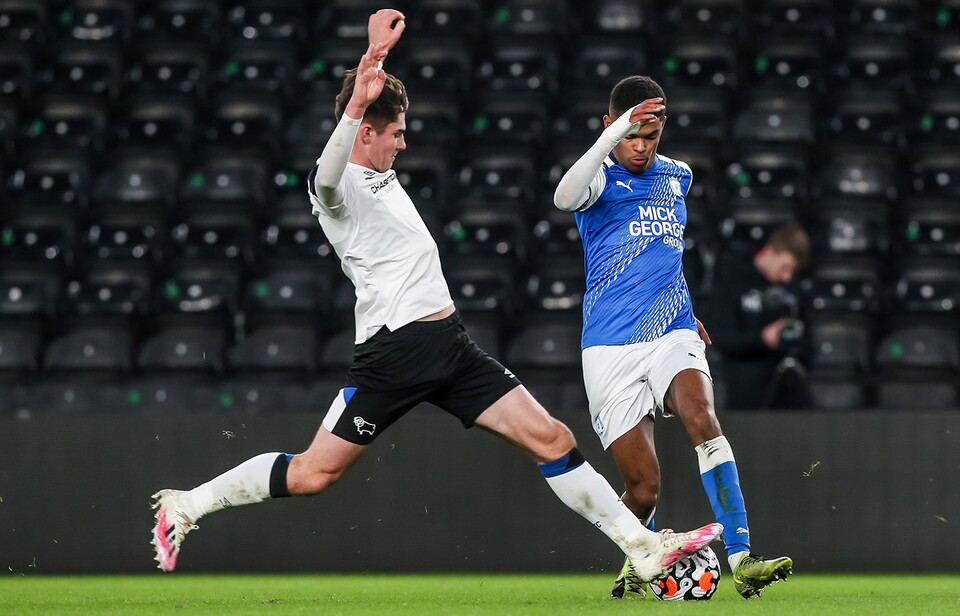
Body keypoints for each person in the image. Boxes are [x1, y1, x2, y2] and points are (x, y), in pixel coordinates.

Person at [150, 11, 721, 580]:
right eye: (395, 132)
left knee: (551, 438)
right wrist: (360, 89)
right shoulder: (338, 187)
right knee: (313, 474)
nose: (403, 141)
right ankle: (187, 505)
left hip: (447, 346)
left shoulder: (381, 177)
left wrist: (372, 74)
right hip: (395, 353)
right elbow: (326, 173)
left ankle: (642, 547)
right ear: (366, 131)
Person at [553, 75, 792, 599]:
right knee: (644, 487)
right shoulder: (596, 179)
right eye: (631, 136)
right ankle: (635, 569)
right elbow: (562, 196)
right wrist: (607, 138)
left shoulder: (677, 177)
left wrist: (686, 307)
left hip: (672, 329)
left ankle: (743, 557)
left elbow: (663, 250)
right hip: (609, 347)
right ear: (611, 128)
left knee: (703, 419)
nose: (640, 148)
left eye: (650, 137)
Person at [699, 224, 810, 410]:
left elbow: (806, 338)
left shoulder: (793, 290)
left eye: (792, 271)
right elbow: (720, 337)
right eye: (785, 267)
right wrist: (762, 338)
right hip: (741, 391)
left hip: (784, 393)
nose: (787, 277)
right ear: (769, 252)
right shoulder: (732, 279)